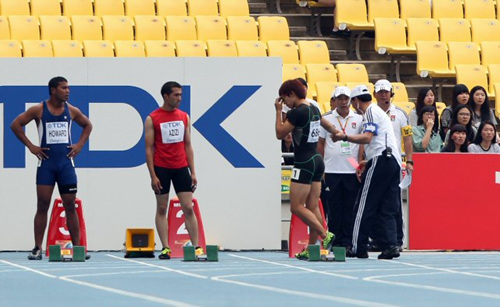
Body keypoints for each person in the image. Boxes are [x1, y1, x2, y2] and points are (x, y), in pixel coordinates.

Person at [10, 76, 93, 260]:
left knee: (70, 205)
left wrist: (79, 145)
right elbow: (15, 125)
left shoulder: (71, 110)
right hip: (47, 165)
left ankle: (78, 247)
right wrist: (31, 146)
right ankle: (37, 248)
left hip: (66, 165)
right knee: (42, 205)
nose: (68, 91)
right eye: (64, 88)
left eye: (68, 87)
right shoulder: (39, 109)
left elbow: (88, 125)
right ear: (53, 90)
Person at [332, 85, 402, 260]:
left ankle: (358, 246)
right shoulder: (378, 112)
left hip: (381, 159)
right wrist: (367, 160)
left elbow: (368, 138)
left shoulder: (370, 112)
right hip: (393, 161)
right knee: (387, 207)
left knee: (364, 205)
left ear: (356, 101)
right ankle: (390, 244)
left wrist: (344, 137)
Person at [275, 79, 338, 260]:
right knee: (312, 206)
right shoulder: (313, 108)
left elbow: (280, 133)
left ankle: (325, 235)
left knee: (296, 207)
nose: (285, 103)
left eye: (284, 99)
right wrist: (335, 132)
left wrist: (278, 112)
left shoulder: (297, 112)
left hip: (304, 161)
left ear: (291, 94)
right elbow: (326, 124)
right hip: (317, 160)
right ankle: (312, 248)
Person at [145, 81, 201, 260]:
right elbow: (148, 149)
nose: (179, 98)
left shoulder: (184, 116)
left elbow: (188, 145)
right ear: (166, 96)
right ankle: (166, 248)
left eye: (180, 95)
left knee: (188, 207)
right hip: (162, 168)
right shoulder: (152, 118)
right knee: (162, 208)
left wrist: (193, 171)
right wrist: (153, 176)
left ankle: (197, 247)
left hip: (181, 168)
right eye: (176, 95)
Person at [318, 86, 363, 248]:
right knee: (334, 208)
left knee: (350, 207)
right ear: (334, 100)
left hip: (351, 170)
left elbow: (361, 144)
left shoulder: (358, 119)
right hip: (331, 170)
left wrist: (359, 165)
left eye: (346, 99)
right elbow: (321, 143)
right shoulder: (327, 118)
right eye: (340, 99)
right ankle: (335, 241)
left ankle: (349, 241)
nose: (344, 102)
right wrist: (322, 167)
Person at [371, 79, 413, 252]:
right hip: (375, 159)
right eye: (380, 92)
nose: (383, 94)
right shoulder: (369, 112)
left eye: (386, 91)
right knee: (375, 202)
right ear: (374, 94)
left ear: (391, 93)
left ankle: (397, 239)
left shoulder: (401, 114)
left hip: (394, 161)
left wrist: (409, 160)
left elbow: (407, 138)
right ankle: (379, 239)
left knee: (394, 202)